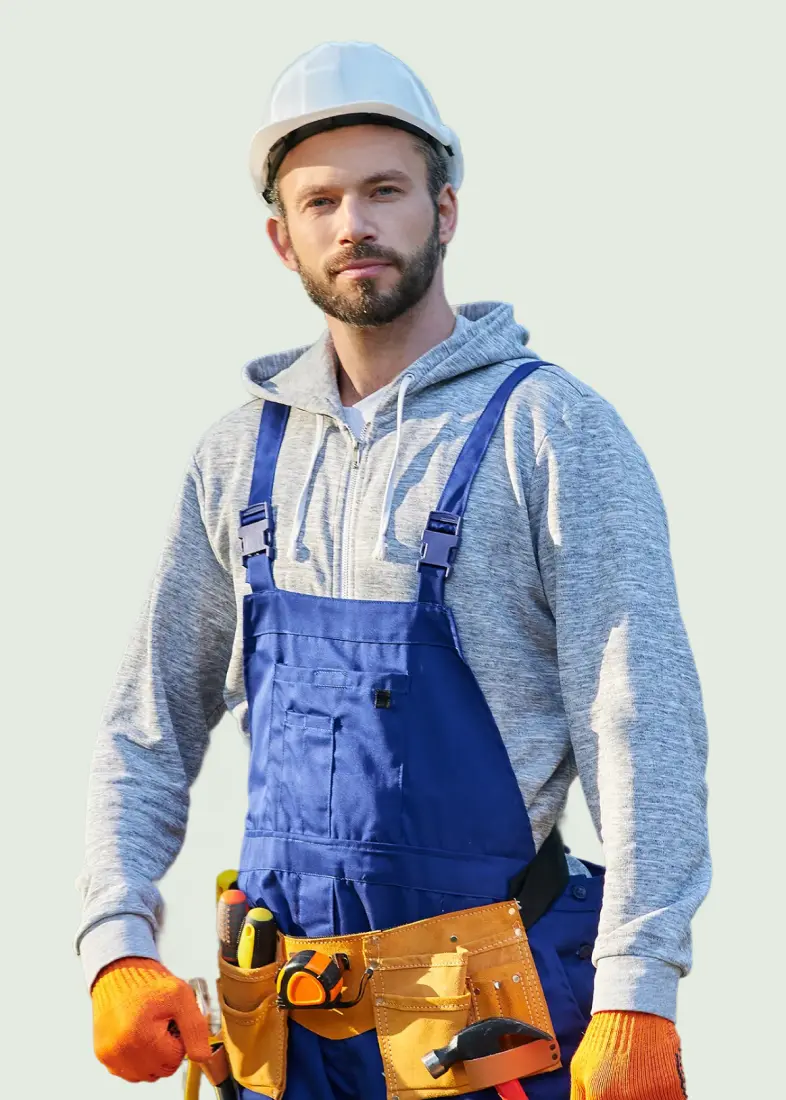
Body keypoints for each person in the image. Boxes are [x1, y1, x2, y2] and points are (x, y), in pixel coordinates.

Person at [76, 40, 710, 1100]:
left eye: (384, 191)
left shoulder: (551, 431)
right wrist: (116, 939)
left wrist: (641, 988)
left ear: (444, 211)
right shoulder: (237, 457)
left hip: (491, 1033)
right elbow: (148, 722)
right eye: (320, 201)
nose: (354, 225)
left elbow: (640, 718)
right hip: (283, 1044)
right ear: (281, 237)